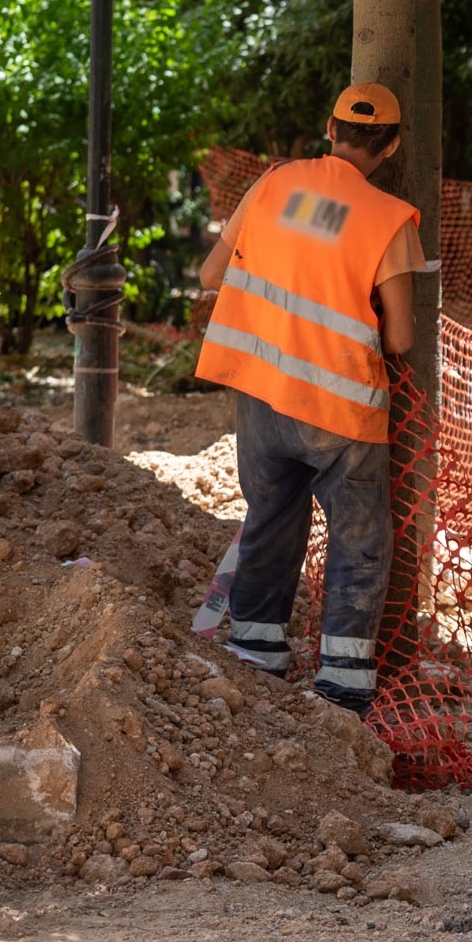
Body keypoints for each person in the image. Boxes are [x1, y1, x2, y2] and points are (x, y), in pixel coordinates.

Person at [193, 82, 424, 714]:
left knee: (270, 516)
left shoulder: (273, 185)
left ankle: (255, 651)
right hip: (340, 411)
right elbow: (401, 337)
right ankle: (343, 683)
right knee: (358, 537)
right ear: (394, 144)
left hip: (263, 395)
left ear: (330, 127)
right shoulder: (387, 219)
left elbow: (212, 275)